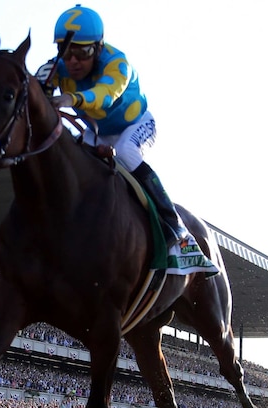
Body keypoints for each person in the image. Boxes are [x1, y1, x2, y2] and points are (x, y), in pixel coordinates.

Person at [35, 4, 189, 247]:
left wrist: (72, 98)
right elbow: (34, 98)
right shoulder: (59, 66)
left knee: (127, 151)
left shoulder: (118, 63)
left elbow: (106, 95)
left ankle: (171, 220)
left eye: (82, 52)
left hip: (136, 124)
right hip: (97, 132)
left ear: (98, 48)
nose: (73, 61)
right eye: (66, 52)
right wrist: (38, 84)